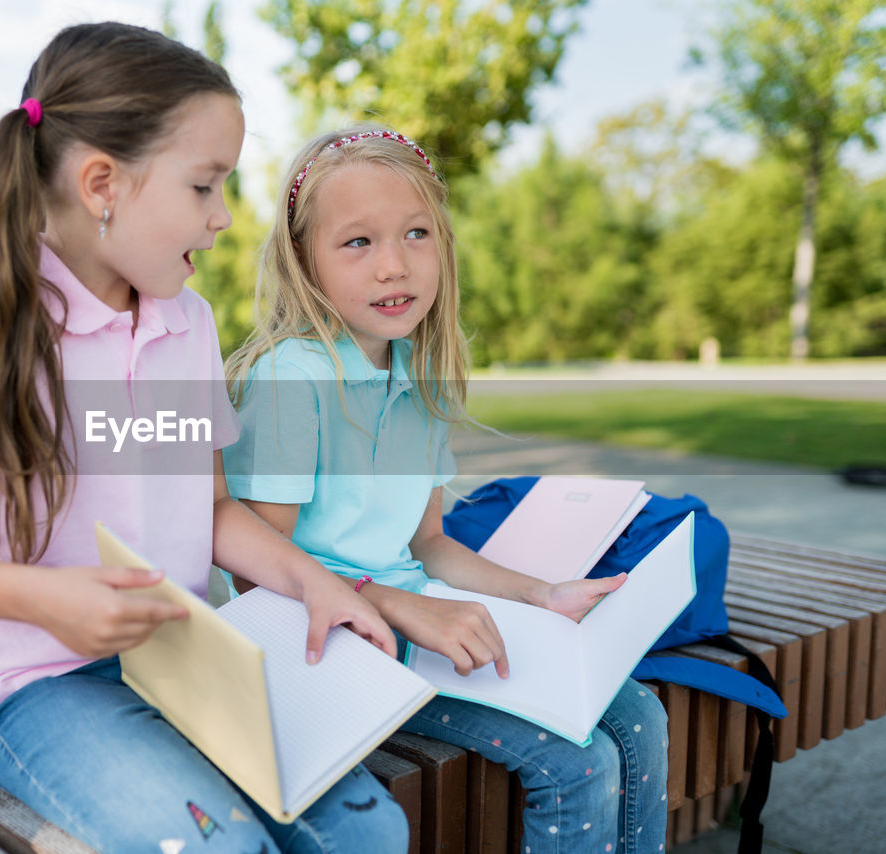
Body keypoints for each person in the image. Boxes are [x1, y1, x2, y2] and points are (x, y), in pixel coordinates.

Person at [0, 26, 406, 854]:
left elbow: (213, 509)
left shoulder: (187, 322)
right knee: (219, 846)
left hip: (187, 663)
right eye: (204, 186)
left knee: (375, 832)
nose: (226, 217)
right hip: (35, 688)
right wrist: (47, 599)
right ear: (102, 185)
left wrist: (315, 586)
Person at [223, 126, 670, 853]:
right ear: (305, 261)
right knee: (578, 762)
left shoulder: (417, 376)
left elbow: (428, 543)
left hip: (415, 624)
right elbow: (252, 574)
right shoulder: (289, 381)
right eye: (358, 243)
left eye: (415, 233)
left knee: (639, 715)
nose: (394, 266)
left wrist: (539, 595)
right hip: (332, 646)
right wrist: (395, 608)